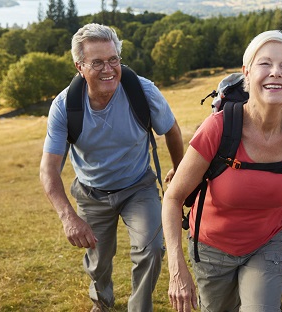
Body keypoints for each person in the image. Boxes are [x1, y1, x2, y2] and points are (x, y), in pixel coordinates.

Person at [161, 30, 282, 312]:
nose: (276, 72)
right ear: (247, 73)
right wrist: (177, 270)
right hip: (210, 247)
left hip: (267, 244)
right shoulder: (218, 128)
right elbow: (173, 198)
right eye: (265, 64)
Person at [40, 23, 184, 312]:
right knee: (98, 261)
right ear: (79, 66)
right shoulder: (64, 106)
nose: (108, 69)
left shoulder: (142, 91)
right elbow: (48, 168)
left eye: (113, 59)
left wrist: (180, 172)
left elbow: (172, 130)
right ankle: (103, 303)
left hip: (138, 186)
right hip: (91, 193)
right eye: (97, 63)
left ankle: (139, 308)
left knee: (152, 248)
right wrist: (68, 216)